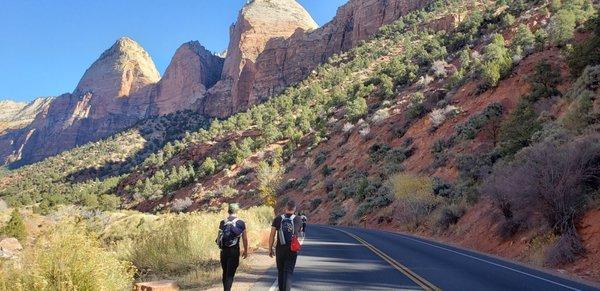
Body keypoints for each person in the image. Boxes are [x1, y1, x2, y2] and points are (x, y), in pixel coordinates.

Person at [269, 200, 302, 291]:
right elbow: (298, 232)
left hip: (280, 249)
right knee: (288, 272)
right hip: (292, 249)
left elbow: (272, 235)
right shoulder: (298, 219)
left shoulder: (278, 219)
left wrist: (270, 248)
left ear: (285, 208)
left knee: (280, 272)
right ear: (294, 209)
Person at [216, 203, 248, 291]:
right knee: (230, 274)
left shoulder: (222, 222)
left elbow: (218, 238)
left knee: (225, 272)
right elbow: (245, 239)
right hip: (234, 251)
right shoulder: (241, 223)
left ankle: (225, 289)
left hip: (223, 251)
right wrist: (245, 250)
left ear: (228, 211)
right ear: (237, 211)